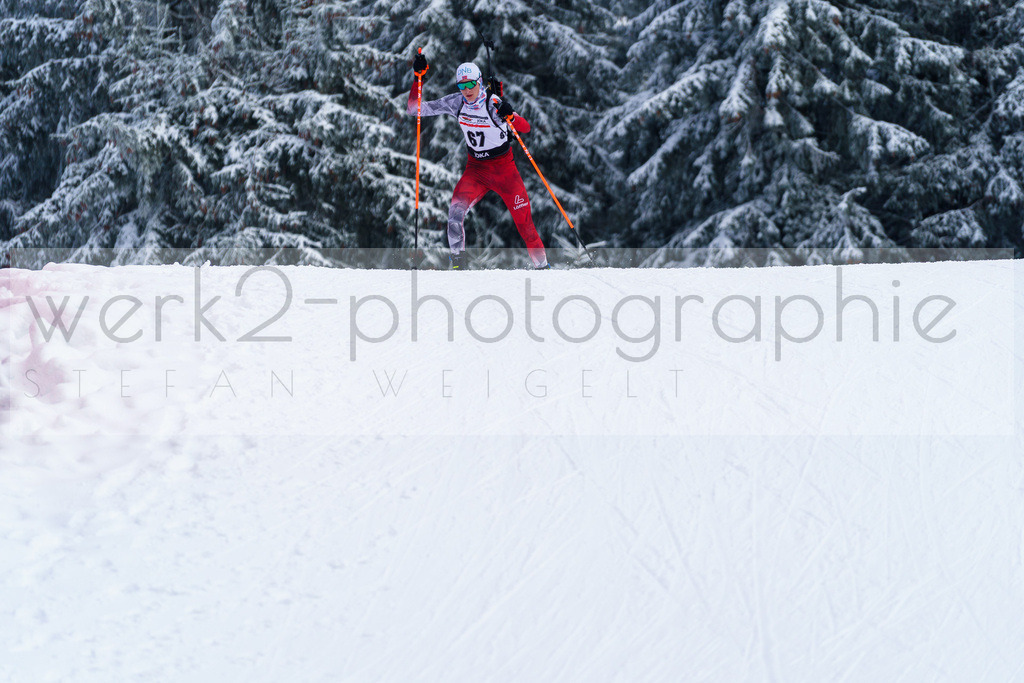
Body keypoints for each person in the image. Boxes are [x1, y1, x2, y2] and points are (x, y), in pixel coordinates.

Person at [409, 53, 549, 269]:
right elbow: (413, 109)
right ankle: (458, 266)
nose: (467, 90)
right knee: (455, 214)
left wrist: (510, 115)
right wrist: (418, 78)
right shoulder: (456, 103)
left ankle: (543, 267)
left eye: (471, 84)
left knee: (525, 225)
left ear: (480, 81)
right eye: (462, 85)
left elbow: (525, 128)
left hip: (505, 171)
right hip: (476, 171)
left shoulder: (493, 104)